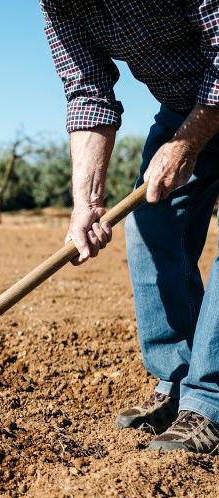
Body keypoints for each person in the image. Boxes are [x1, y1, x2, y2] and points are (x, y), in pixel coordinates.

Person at [42, 0, 219, 453]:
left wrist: (186, 144)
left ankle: (210, 402)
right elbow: (88, 95)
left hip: (207, 100)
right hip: (186, 104)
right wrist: (86, 202)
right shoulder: (59, 7)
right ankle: (178, 381)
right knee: (151, 226)